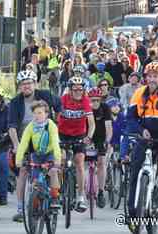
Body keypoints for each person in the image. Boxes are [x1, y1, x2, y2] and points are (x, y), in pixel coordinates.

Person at [125, 62, 158, 226]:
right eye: (149, 76)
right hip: (144, 136)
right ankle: (132, 210)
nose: (152, 79)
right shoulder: (138, 94)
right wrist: (141, 131)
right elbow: (131, 118)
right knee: (135, 166)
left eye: (155, 76)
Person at [10, 70, 61, 222]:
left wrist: (57, 124)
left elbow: (60, 107)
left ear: (35, 84)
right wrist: (17, 145)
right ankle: (20, 209)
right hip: (25, 139)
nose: (26, 86)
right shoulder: (15, 102)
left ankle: (54, 198)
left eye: (29, 83)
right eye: (23, 84)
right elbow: (12, 127)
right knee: (23, 172)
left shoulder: (45, 95)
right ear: (19, 86)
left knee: (53, 169)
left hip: (47, 137)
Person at [57, 76, 96, 212]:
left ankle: (80, 197)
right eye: (75, 90)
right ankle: (59, 191)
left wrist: (89, 137)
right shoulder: (63, 100)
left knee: (79, 162)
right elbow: (55, 117)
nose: (78, 92)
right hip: (62, 134)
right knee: (60, 160)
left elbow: (91, 123)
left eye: (81, 89)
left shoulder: (85, 101)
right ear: (70, 90)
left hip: (79, 135)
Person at [15, 100, 61, 208]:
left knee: (53, 172)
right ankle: (34, 208)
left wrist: (57, 160)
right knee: (35, 181)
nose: (37, 115)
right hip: (37, 155)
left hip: (49, 154)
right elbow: (23, 143)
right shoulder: (31, 126)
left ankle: (55, 198)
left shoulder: (51, 125)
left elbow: (55, 142)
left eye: (40, 113)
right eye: (35, 113)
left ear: (46, 114)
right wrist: (18, 160)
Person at [87, 88, 113, 208]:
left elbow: (109, 127)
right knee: (81, 160)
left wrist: (107, 141)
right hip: (88, 136)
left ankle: (101, 191)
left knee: (101, 162)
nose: (95, 103)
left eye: (97, 100)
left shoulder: (105, 108)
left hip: (101, 137)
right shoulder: (85, 108)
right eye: (92, 100)